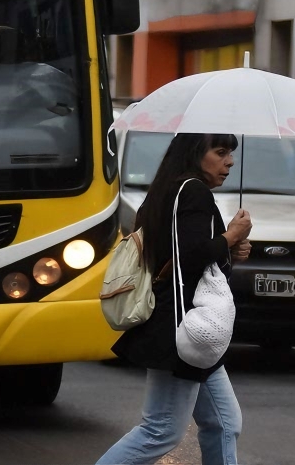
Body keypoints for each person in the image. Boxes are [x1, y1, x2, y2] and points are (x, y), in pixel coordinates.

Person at [98, 133, 253, 465]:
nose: (229, 161)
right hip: (183, 326)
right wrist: (230, 236)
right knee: (160, 430)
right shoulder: (193, 191)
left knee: (224, 423)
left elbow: (179, 252)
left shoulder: (169, 189)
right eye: (221, 152)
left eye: (230, 153)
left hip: (188, 325)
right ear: (196, 153)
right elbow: (192, 256)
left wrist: (228, 248)